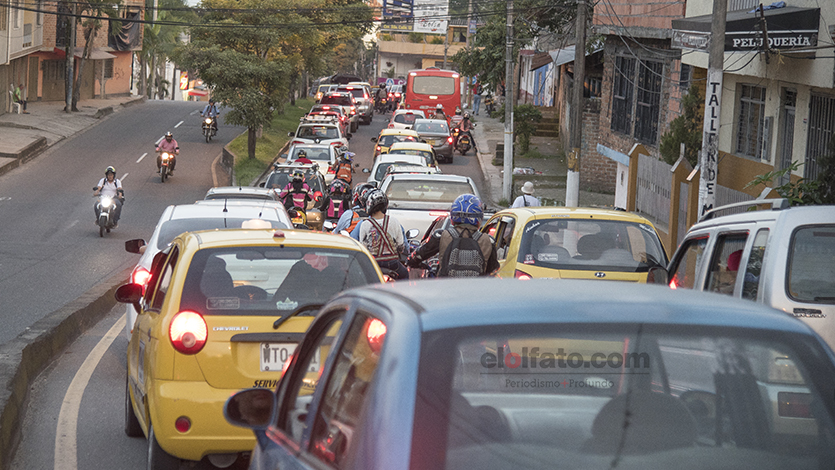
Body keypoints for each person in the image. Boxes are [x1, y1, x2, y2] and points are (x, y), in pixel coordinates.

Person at [408, 194, 499, 277]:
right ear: (479, 217)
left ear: (453, 216)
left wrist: (413, 261)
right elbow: (493, 269)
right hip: (475, 291)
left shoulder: (442, 236)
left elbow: (418, 256)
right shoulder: (488, 241)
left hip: (446, 289)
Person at [358, 189, 409, 280]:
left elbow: (363, 247)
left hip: (374, 264)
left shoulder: (365, 224)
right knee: (405, 274)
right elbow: (401, 245)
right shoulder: (394, 221)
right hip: (393, 264)